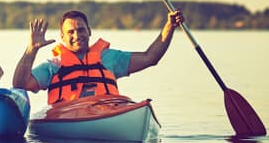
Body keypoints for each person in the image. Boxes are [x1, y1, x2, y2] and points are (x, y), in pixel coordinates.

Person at [12, 9, 185, 103]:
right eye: (70, 32)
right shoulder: (54, 66)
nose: (77, 35)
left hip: (107, 113)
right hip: (67, 118)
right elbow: (19, 84)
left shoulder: (109, 58)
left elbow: (150, 57)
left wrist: (169, 26)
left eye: (81, 30)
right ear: (62, 37)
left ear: (89, 31)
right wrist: (31, 49)